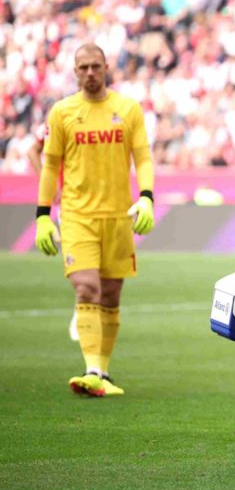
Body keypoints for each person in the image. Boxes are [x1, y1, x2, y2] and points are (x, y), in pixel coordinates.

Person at [34, 43, 155, 397]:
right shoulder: (62, 112)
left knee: (112, 295)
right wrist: (43, 215)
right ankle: (90, 369)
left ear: (106, 67)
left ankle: (102, 372)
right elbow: (50, 166)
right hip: (77, 216)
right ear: (75, 71)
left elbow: (143, 158)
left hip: (119, 217)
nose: (89, 73)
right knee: (87, 287)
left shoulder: (127, 109)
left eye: (95, 66)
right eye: (83, 67)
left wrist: (146, 198)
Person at [28, 121, 80, 342]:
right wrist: (47, 182)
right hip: (69, 203)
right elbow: (33, 151)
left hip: (97, 201)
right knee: (78, 261)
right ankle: (82, 310)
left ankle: (86, 309)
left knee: (101, 265)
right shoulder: (58, 119)